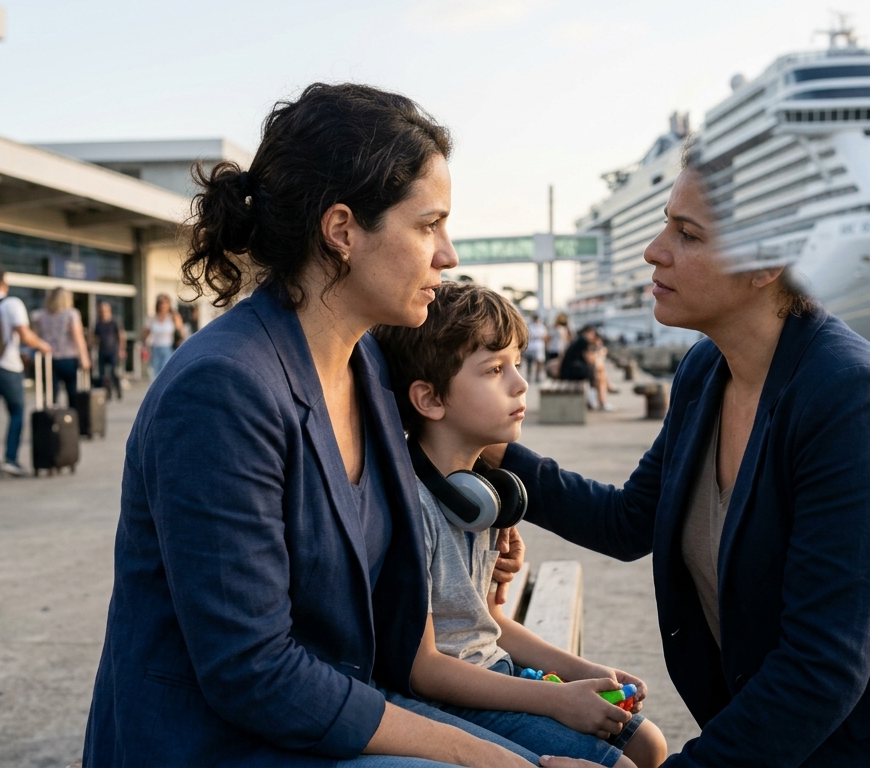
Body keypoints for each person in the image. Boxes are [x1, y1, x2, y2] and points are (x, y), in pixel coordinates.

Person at [497, 168, 870, 767]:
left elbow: (821, 667)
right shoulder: (707, 370)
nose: (655, 250)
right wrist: (486, 450)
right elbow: (628, 521)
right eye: (663, 226)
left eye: (687, 234)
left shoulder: (851, 398)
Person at [84, 83, 539, 768]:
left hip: (331, 714)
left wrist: (484, 549)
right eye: (427, 225)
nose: (447, 255)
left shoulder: (364, 370)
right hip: (220, 744)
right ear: (342, 231)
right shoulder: (223, 389)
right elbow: (252, 671)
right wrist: (494, 759)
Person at [373, 282, 668, 768]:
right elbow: (423, 670)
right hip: (449, 700)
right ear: (429, 399)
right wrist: (557, 699)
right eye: (494, 370)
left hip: (496, 672)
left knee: (650, 743)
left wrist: (586, 671)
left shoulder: (484, 498)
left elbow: (489, 624)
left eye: (515, 363)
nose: (520, 383)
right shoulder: (414, 507)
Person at [0, 268, 52, 481]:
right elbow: (24, 334)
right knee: (17, 412)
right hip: (7, 366)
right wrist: (42, 345)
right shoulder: (11, 303)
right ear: (4, 283)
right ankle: (10, 459)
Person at [32, 287, 90, 406]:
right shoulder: (71, 314)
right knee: (73, 393)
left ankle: (52, 421)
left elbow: (35, 337)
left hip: (49, 359)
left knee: (50, 394)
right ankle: (73, 420)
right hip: (69, 358)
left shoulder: (40, 315)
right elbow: (78, 337)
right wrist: (84, 357)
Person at [557, 325, 612, 411]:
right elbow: (590, 359)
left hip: (570, 371)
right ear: (588, 332)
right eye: (593, 333)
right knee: (598, 373)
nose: (593, 336)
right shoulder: (583, 341)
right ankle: (602, 402)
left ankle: (600, 400)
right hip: (570, 373)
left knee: (599, 372)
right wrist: (601, 353)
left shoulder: (579, 340)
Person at [141, 293, 183, 378]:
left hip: (168, 348)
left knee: (166, 374)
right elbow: (145, 334)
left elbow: (181, 332)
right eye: (161, 303)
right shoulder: (152, 319)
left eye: (166, 303)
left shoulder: (172, 317)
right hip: (155, 348)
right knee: (155, 374)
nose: (163, 306)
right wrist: (144, 347)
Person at [90, 302, 125, 401]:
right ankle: (107, 393)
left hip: (113, 351)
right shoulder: (98, 324)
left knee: (114, 372)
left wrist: (121, 350)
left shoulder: (114, 322)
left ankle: (118, 391)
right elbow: (94, 338)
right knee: (102, 375)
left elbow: (120, 336)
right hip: (102, 351)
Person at [523, 312, 547, 383]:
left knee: (539, 362)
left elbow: (544, 336)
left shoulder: (541, 326)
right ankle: (529, 376)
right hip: (531, 345)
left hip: (539, 345)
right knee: (530, 362)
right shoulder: (530, 326)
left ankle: (537, 377)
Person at [546, 313, 570, 378]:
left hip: (552, 348)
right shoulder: (563, 329)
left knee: (550, 364)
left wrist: (547, 347)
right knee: (558, 365)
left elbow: (547, 338)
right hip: (560, 349)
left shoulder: (552, 328)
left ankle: (551, 376)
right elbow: (566, 339)